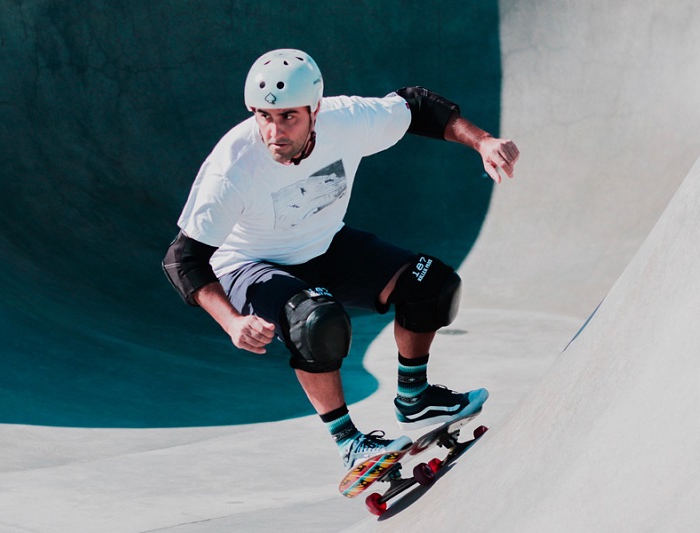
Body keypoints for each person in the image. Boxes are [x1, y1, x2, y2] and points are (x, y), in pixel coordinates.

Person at [163, 49, 519, 470]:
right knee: (316, 321)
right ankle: (349, 442)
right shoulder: (233, 168)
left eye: (288, 117)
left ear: (315, 110)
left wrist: (483, 141)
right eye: (263, 117)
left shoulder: (347, 120)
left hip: (325, 245)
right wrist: (231, 321)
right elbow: (183, 259)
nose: (274, 132)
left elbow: (419, 107)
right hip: (249, 264)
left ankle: (415, 398)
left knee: (432, 285)